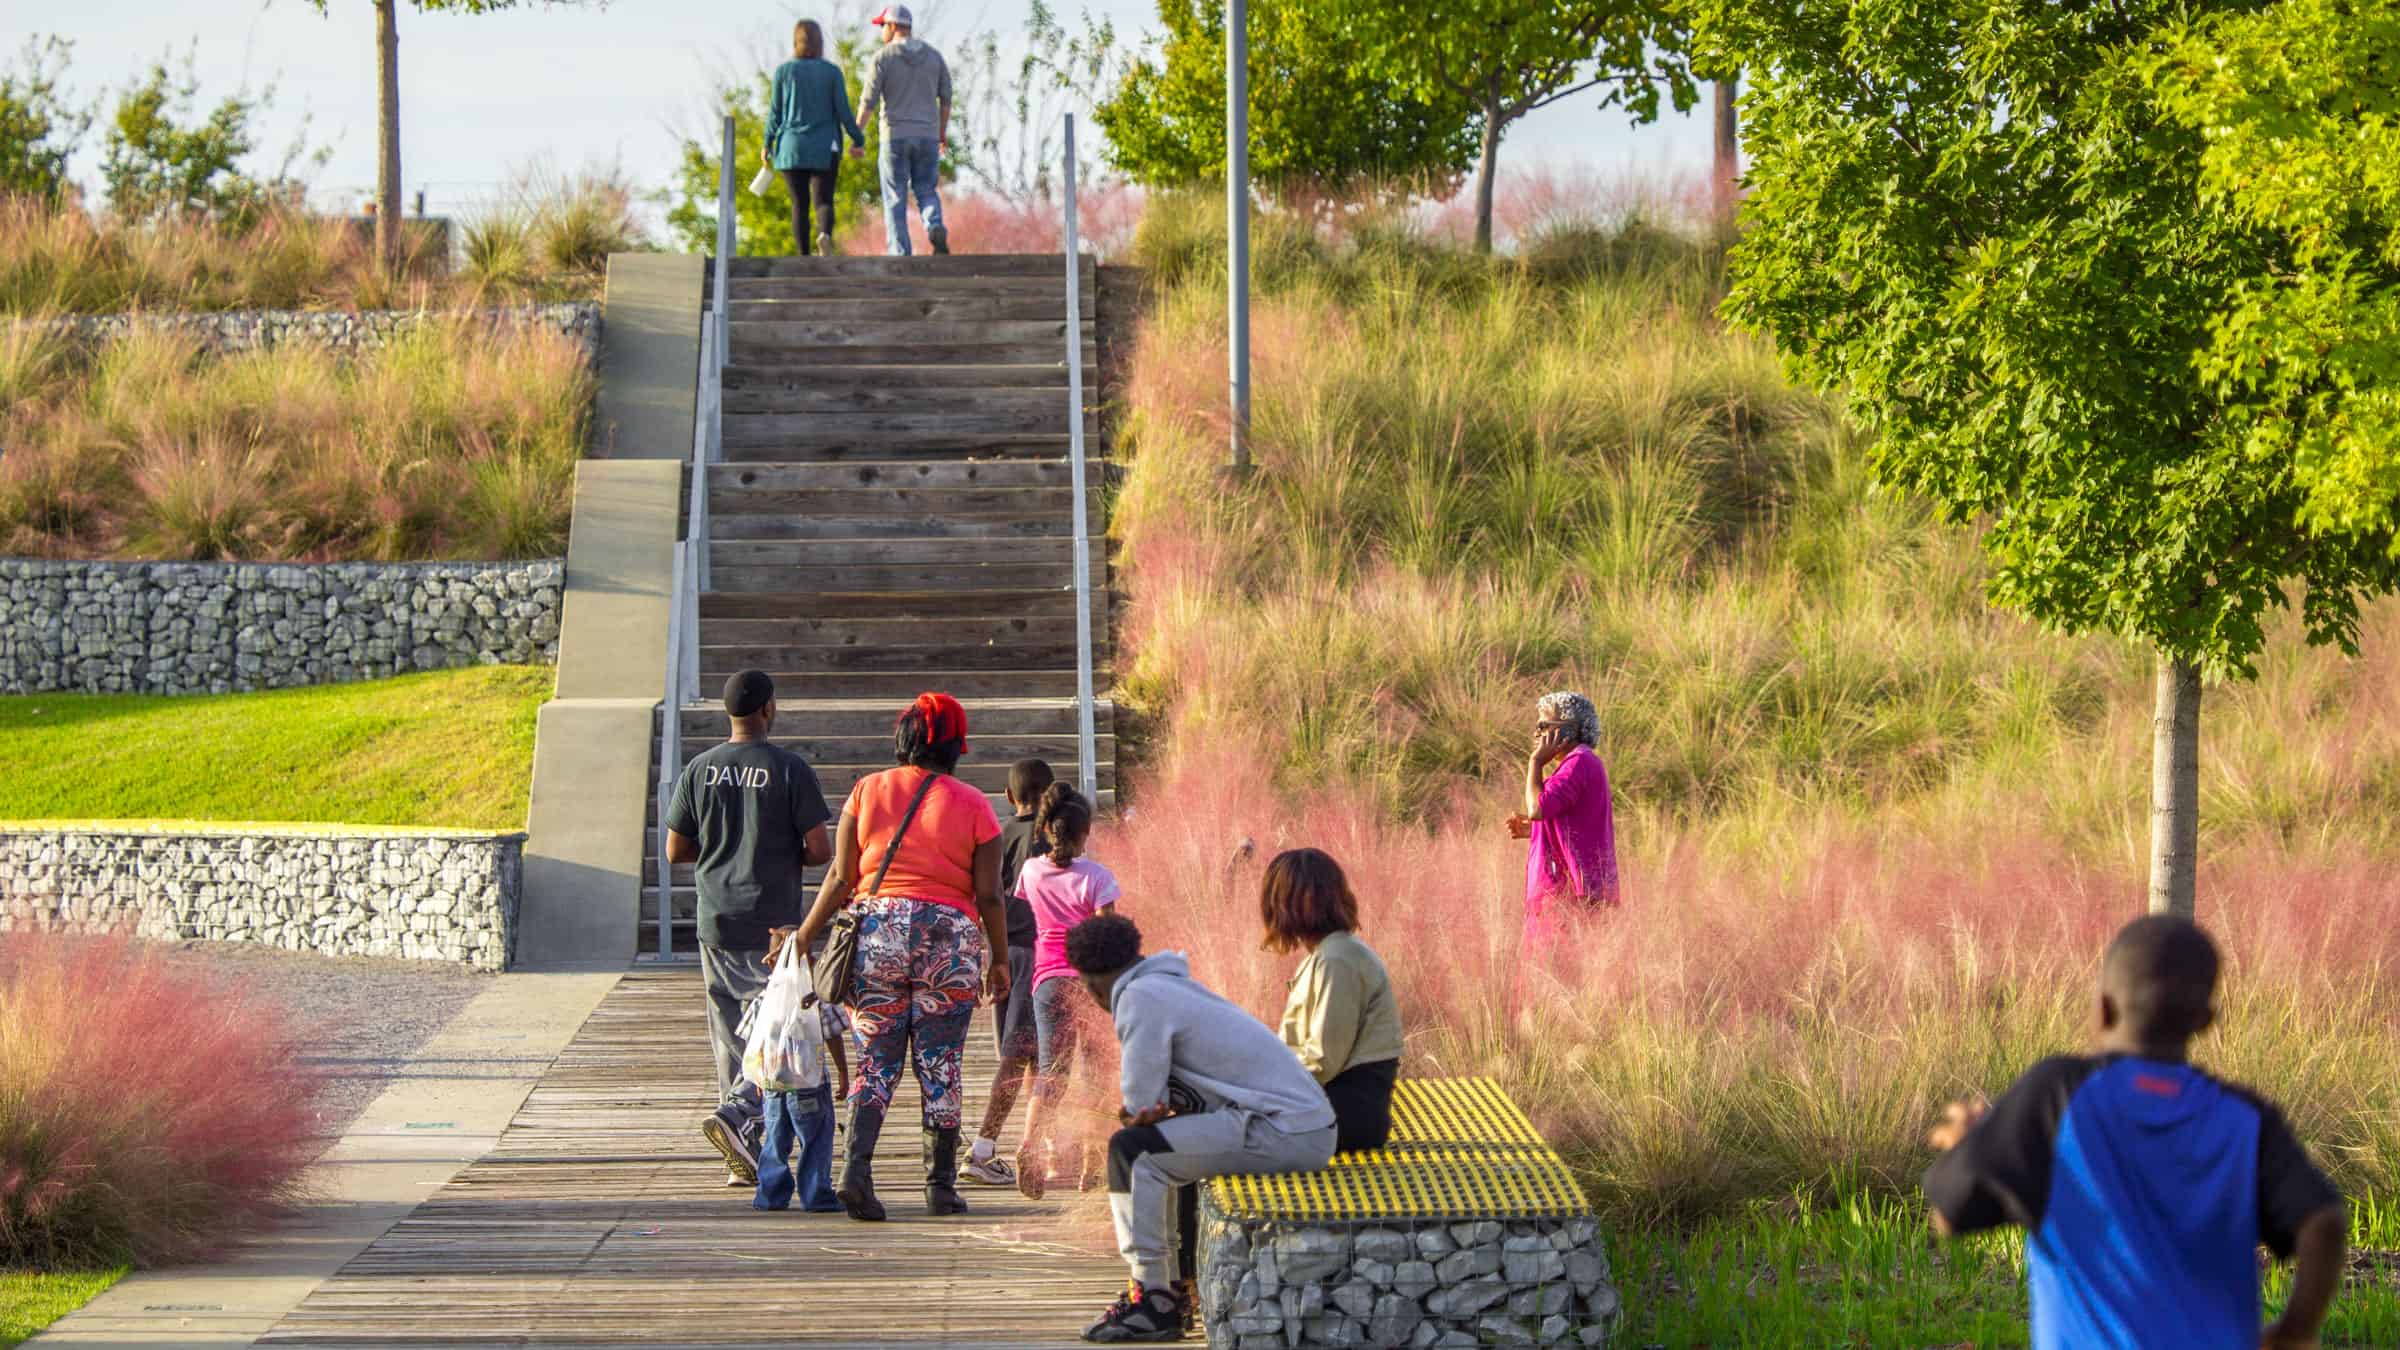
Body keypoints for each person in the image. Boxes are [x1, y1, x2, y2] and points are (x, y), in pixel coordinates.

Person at [1923, 915, 2347, 1350]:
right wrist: (2296, 1330)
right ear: (2207, 1020)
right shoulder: (2245, 1117)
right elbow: (2324, 1222)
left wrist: (1968, 1146)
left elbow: (1950, 1214)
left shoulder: (2058, 1095)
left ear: (2103, 1008)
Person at [789, 691, 1009, 1222]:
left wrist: (806, 933)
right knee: (940, 1064)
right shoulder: (976, 804)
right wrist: (998, 958)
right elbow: (990, 896)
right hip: (947, 940)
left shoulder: (866, 791)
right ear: (958, 745)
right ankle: (939, 1187)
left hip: (877, 935)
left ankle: (855, 1174)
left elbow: (841, 877)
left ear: (904, 736)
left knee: (876, 1062)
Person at [1067, 912, 1335, 1343]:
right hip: (1301, 1124)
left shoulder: (1139, 997)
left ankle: (1151, 1300)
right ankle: (1165, 1291)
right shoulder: (1169, 984)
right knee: (1154, 1152)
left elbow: (1137, 1105)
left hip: (1280, 1129)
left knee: (1132, 1152)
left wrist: (1141, 1113)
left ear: (1091, 983)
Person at [663, 669, 834, 1186]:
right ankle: (740, 1117)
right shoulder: (789, 769)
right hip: (774, 922)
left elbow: (676, 849)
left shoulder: (699, 769)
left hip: (715, 916)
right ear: (768, 709)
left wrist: (717, 848)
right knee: (776, 1030)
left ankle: (741, 1143)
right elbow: (821, 851)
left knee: (729, 1032)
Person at [1012, 782, 1120, 1200]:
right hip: (1089, 984)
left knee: (1050, 1074)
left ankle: (1029, 1144)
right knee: (1095, 1073)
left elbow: (1024, 910)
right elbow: (1109, 935)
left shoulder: (1031, 872)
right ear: (1082, 834)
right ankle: (1092, 1168)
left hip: (1047, 981)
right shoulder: (1097, 878)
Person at [1263, 848, 1401, 1153]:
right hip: (1337, 1108)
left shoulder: (1336, 961)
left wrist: (1262, 1093)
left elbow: (1322, 1060)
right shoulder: (1328, 955)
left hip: (1346, 1115)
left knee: (1229, 1130)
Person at [964, 757, 1054, 1187]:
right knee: (1026, 1056)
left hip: (1010, 949)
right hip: (1045, 955)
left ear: (1007, 796)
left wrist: (989, 952)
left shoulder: (999, 835)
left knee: (1024, 1052)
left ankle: (1035, 1145)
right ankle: (983, 1147)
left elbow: (986, 895)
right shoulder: (1056, 837)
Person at [746, 943, 851, 1214]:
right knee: (815, 1138)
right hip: (809, 1083)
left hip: (773, 1083)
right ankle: (816, 1196)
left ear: (770, 961)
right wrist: (842, 1071)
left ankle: (770, 1195)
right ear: (812, 960)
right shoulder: (814, 998)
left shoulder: (765, 998)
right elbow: (833, 1035)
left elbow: (753, 1040)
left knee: (775, 1139)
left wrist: (759, 1078)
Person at [1505, 690, 1620, 937]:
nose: (1537, 732)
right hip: (1573, 895)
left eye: (1544, 725)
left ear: (1569, 730)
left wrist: (1535, 763)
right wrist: (1533, 830)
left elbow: (1537, 808)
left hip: (1570, 898)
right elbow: (1574, 820)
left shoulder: (1579, 762)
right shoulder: (1580, 764)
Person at [854, 5, 953, 256]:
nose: (881, 32)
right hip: (928, 135)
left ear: (893, 26)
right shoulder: (934, 57)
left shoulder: (882, 58)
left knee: (895, 196)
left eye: (882, 26)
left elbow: (868, 102)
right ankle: (935, 225)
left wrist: (857, 135)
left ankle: (900, 253)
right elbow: (946, 98)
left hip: (895, 136)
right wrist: (941, 133)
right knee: (926, 190)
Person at [765, 19, 865, 256]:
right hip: (824, 146)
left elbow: (775, 113)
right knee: (823, 200)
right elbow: (843, 111)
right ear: (820, 42)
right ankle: (824, 235)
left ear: (795, 41)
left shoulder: (783, 72)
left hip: (792, 147)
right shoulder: (831, 72)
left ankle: (803, 255)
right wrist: (857, 139)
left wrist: (767, 143)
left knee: (799, 205)